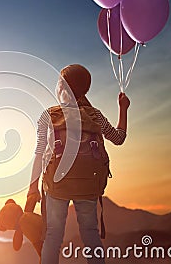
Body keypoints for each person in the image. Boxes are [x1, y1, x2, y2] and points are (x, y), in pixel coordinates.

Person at [27, 64, 130, 264]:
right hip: (88, 185)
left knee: (53, 237)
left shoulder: (49, 115)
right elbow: (119, 138)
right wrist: (123, 109)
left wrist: (33, 187)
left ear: (62, 88)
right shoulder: (95, 115)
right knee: (90, 233)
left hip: (56, 186)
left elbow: (39, 153)